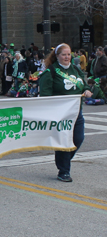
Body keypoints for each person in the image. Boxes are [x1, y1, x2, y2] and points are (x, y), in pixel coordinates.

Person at [39, 43, 92, 182]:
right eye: (64, 54)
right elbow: (45, 94)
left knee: (78, 139)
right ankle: (64, 171)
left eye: (69, 54)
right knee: (64, 141)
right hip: (60, 113)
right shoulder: (50, 71)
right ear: (57, 56)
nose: (67, 57)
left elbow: (84, 84)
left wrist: (86, 90)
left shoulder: (76, 69)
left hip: (76, 112)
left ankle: (63, 160)